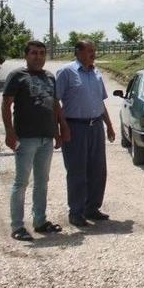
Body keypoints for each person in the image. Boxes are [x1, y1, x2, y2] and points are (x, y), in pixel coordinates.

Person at [2, 40, 65, 241]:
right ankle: (17, 226)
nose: (38, 57)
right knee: (21, 182)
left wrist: (57, 130)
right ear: (26, 56)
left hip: (46, 137)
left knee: (42, 182)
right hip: (25, 138)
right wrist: (9, 132)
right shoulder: (17, 76)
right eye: (34, 53)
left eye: (41, 53)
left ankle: (40, 221)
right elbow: (6, 105)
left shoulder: (49, 77)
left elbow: (55, 105)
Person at [56, 40, 116, 227]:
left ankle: (92, 208)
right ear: (78, 52)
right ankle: (76, 212)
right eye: (90, 51)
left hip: (96, 126)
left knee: (98, 170)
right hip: (75, 127)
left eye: (94, 50)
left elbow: (100, 102)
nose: (93, 54)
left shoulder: (96, 73)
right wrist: (62, 127)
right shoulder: (66, 72)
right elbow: (54, 101)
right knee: (77, 171)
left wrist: (109, 125)